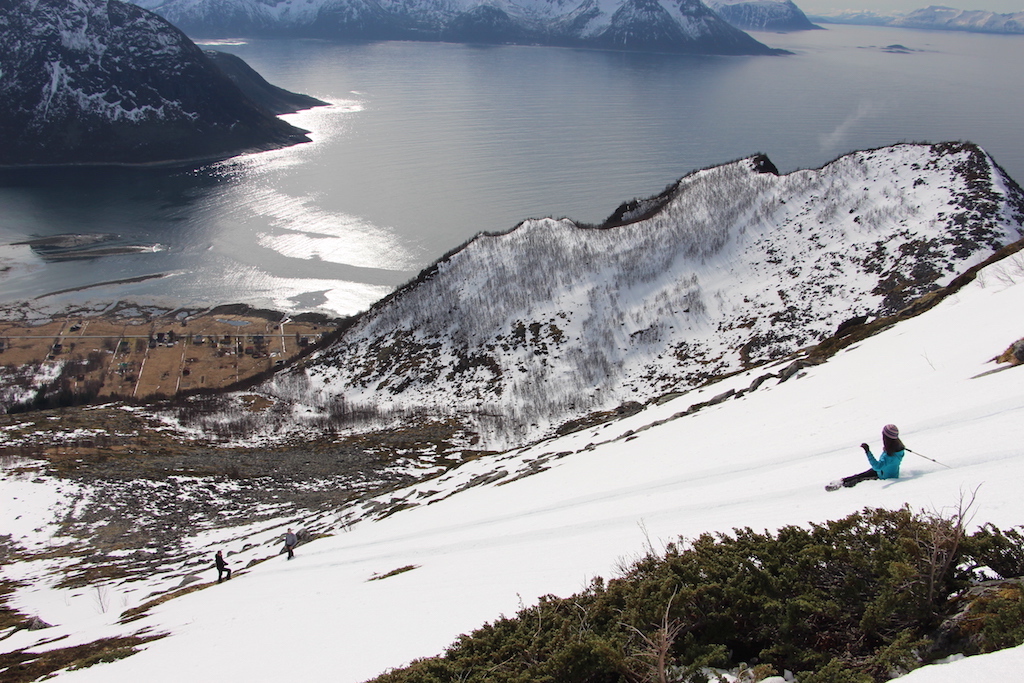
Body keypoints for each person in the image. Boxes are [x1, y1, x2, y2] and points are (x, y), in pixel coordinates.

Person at [828, 424, 906, 490]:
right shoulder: (896, 448)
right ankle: (841, 481)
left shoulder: (891, 455)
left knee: (859, 480)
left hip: (884, 477)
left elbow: (877, 467)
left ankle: (840, 486)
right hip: (883, 471)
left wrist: (867, 451)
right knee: (860, 475)